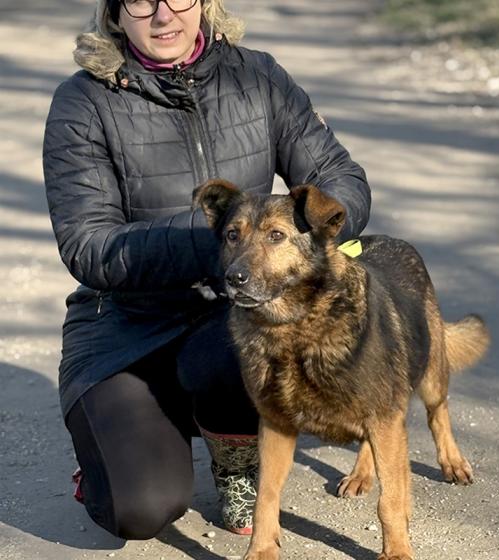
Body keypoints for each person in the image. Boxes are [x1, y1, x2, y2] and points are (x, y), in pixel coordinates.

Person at [43, 0, 371, 541]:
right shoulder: (82, 102)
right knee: (139, 508)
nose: (163, 16)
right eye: (140, 1)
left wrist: (311, 230)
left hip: (234, 314)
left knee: (242, 342)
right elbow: (89, 245)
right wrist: (222, 240)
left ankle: (235, 455)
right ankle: (122, 446)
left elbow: (340, 177)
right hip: (128, 329)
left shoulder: (257, 75)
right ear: (115, 14)